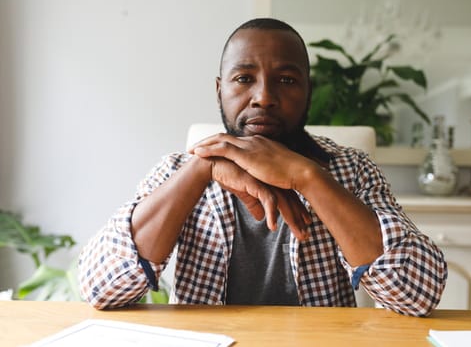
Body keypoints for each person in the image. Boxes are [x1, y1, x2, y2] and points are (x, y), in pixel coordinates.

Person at [78, 18, 447, 317]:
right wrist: (201, 170)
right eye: (243, 79)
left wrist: (307, 176)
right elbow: (101, 288)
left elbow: (416, 295)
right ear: (220, 90)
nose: (264, 97)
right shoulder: (177, 169)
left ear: (308, 91)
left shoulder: (351, 168)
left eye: (286, 80)